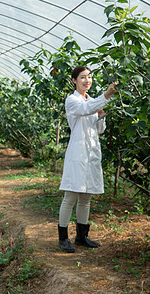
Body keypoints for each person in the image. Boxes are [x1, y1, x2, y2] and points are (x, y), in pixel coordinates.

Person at [57, 65, 117, 253]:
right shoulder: (73, 100)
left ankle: (82, 236)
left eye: (89, 77)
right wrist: (105, 97)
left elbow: (99, 130)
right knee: (71, 196)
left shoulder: (91, 101)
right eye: (82, 77)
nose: (87, 80)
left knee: (86, 197)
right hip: (77, 153)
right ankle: (63, 238)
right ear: (74, 81)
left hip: (91, 153)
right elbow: (85, 109)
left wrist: (102, 116)